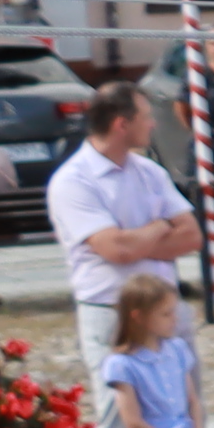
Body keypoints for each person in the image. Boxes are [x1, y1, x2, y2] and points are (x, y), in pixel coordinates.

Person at [50, 79, 202, 372]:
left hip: (166, 311)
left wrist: (135, 243)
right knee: (120, 414)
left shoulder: (150, 172)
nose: (152, 124)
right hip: (112, 312)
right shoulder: (73, 181)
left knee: (185, 409)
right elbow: (116, 250)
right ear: (122, 125)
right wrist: (159, 226)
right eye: (146, 117)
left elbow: (192, 236)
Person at [94, 268, 203, 428]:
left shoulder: (177, 349)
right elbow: (133, 422)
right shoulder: (122, 363)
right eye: (165, 314)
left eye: (174, 312)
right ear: (139, 317)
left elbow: (193, 401)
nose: (174, 319)